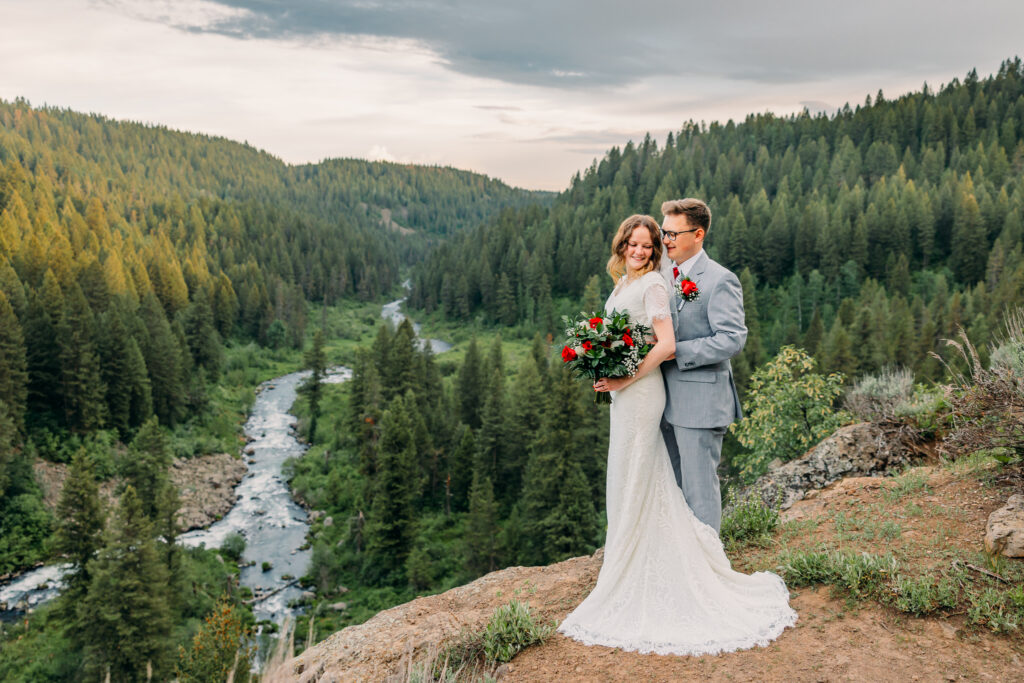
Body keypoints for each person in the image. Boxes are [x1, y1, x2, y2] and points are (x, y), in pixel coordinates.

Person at [557, 213, 796, 656]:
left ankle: (706, 572)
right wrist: (604, 360)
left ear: (696, 234)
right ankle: (644, 560)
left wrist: (629, 373)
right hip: (648, 394)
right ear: (622, 244)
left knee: (695, 487)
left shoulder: (709, 279)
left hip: (687, 394)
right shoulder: (658, 274)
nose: (652, 246)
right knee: (649, 477)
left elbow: (716, 339)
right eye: (645, 239)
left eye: (663, 237)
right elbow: (636, 331)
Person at [659, 198, 745, 533]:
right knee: (673, 488)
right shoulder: (665, 276)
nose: (665, 240)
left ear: (698, 234)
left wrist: (675, 351)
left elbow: (732, 339)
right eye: (664, 232)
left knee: (699, 491)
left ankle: (709, 566)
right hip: (664, 400)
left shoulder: (720, 279)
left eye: (672, 234)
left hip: (700, 404)